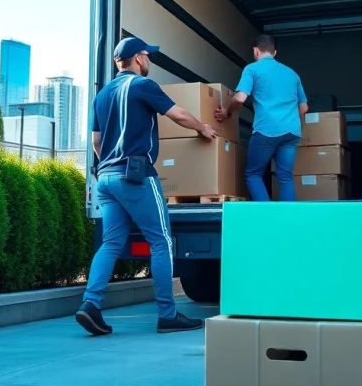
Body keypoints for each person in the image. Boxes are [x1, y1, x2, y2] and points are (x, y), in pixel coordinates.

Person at [75, 37, 217, 337]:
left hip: (106, 180)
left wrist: (111, 167)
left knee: (111, 243)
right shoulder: (143, 86)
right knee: (161, 241)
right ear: (137, 59)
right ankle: (167, 315)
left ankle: (90, 304)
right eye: (147, 55)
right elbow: (177, 114)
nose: (148, 60)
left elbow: (96, 142)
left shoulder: (101, 96)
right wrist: (203, 128)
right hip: (135, 176)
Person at [216, 34, 308, 202]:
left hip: (267, 130)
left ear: (255, 51)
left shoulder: (252, 69)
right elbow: (304, 108)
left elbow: (240, 98)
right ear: (275, 52)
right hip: (292, 132)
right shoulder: (292, 74)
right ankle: (290, 219)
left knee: (253, 174)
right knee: (285, 176)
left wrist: (227, 111)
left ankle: (267, 216)